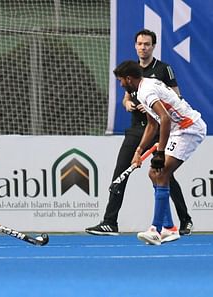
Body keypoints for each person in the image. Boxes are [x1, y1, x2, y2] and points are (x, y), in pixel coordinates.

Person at [86, 29, 194, 236]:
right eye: (140, 44)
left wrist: (153, 106)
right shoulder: (131, 70)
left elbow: (176, 97)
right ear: (135, 46)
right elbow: (128, 96)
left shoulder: (163, 69)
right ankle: (110, 222)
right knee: (121, 171)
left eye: (147, 44)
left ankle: (184, 220)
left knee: (164, 173)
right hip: (138, 129)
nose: (143, 47)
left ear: (153, 46)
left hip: (161, 127)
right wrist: (127, 103)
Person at [113, 60, 206, 245]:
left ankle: (155, 229)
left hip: (189, 128)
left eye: (121, 80)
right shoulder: (142, 89)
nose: (120, 84)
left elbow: (164, 118)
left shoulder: (146, 91)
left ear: (129, 79)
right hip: (177, 129)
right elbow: (152, 123)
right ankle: (170, 228)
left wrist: (160, 153)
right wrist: (139, 150)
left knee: (161, 172)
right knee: (153, 173)